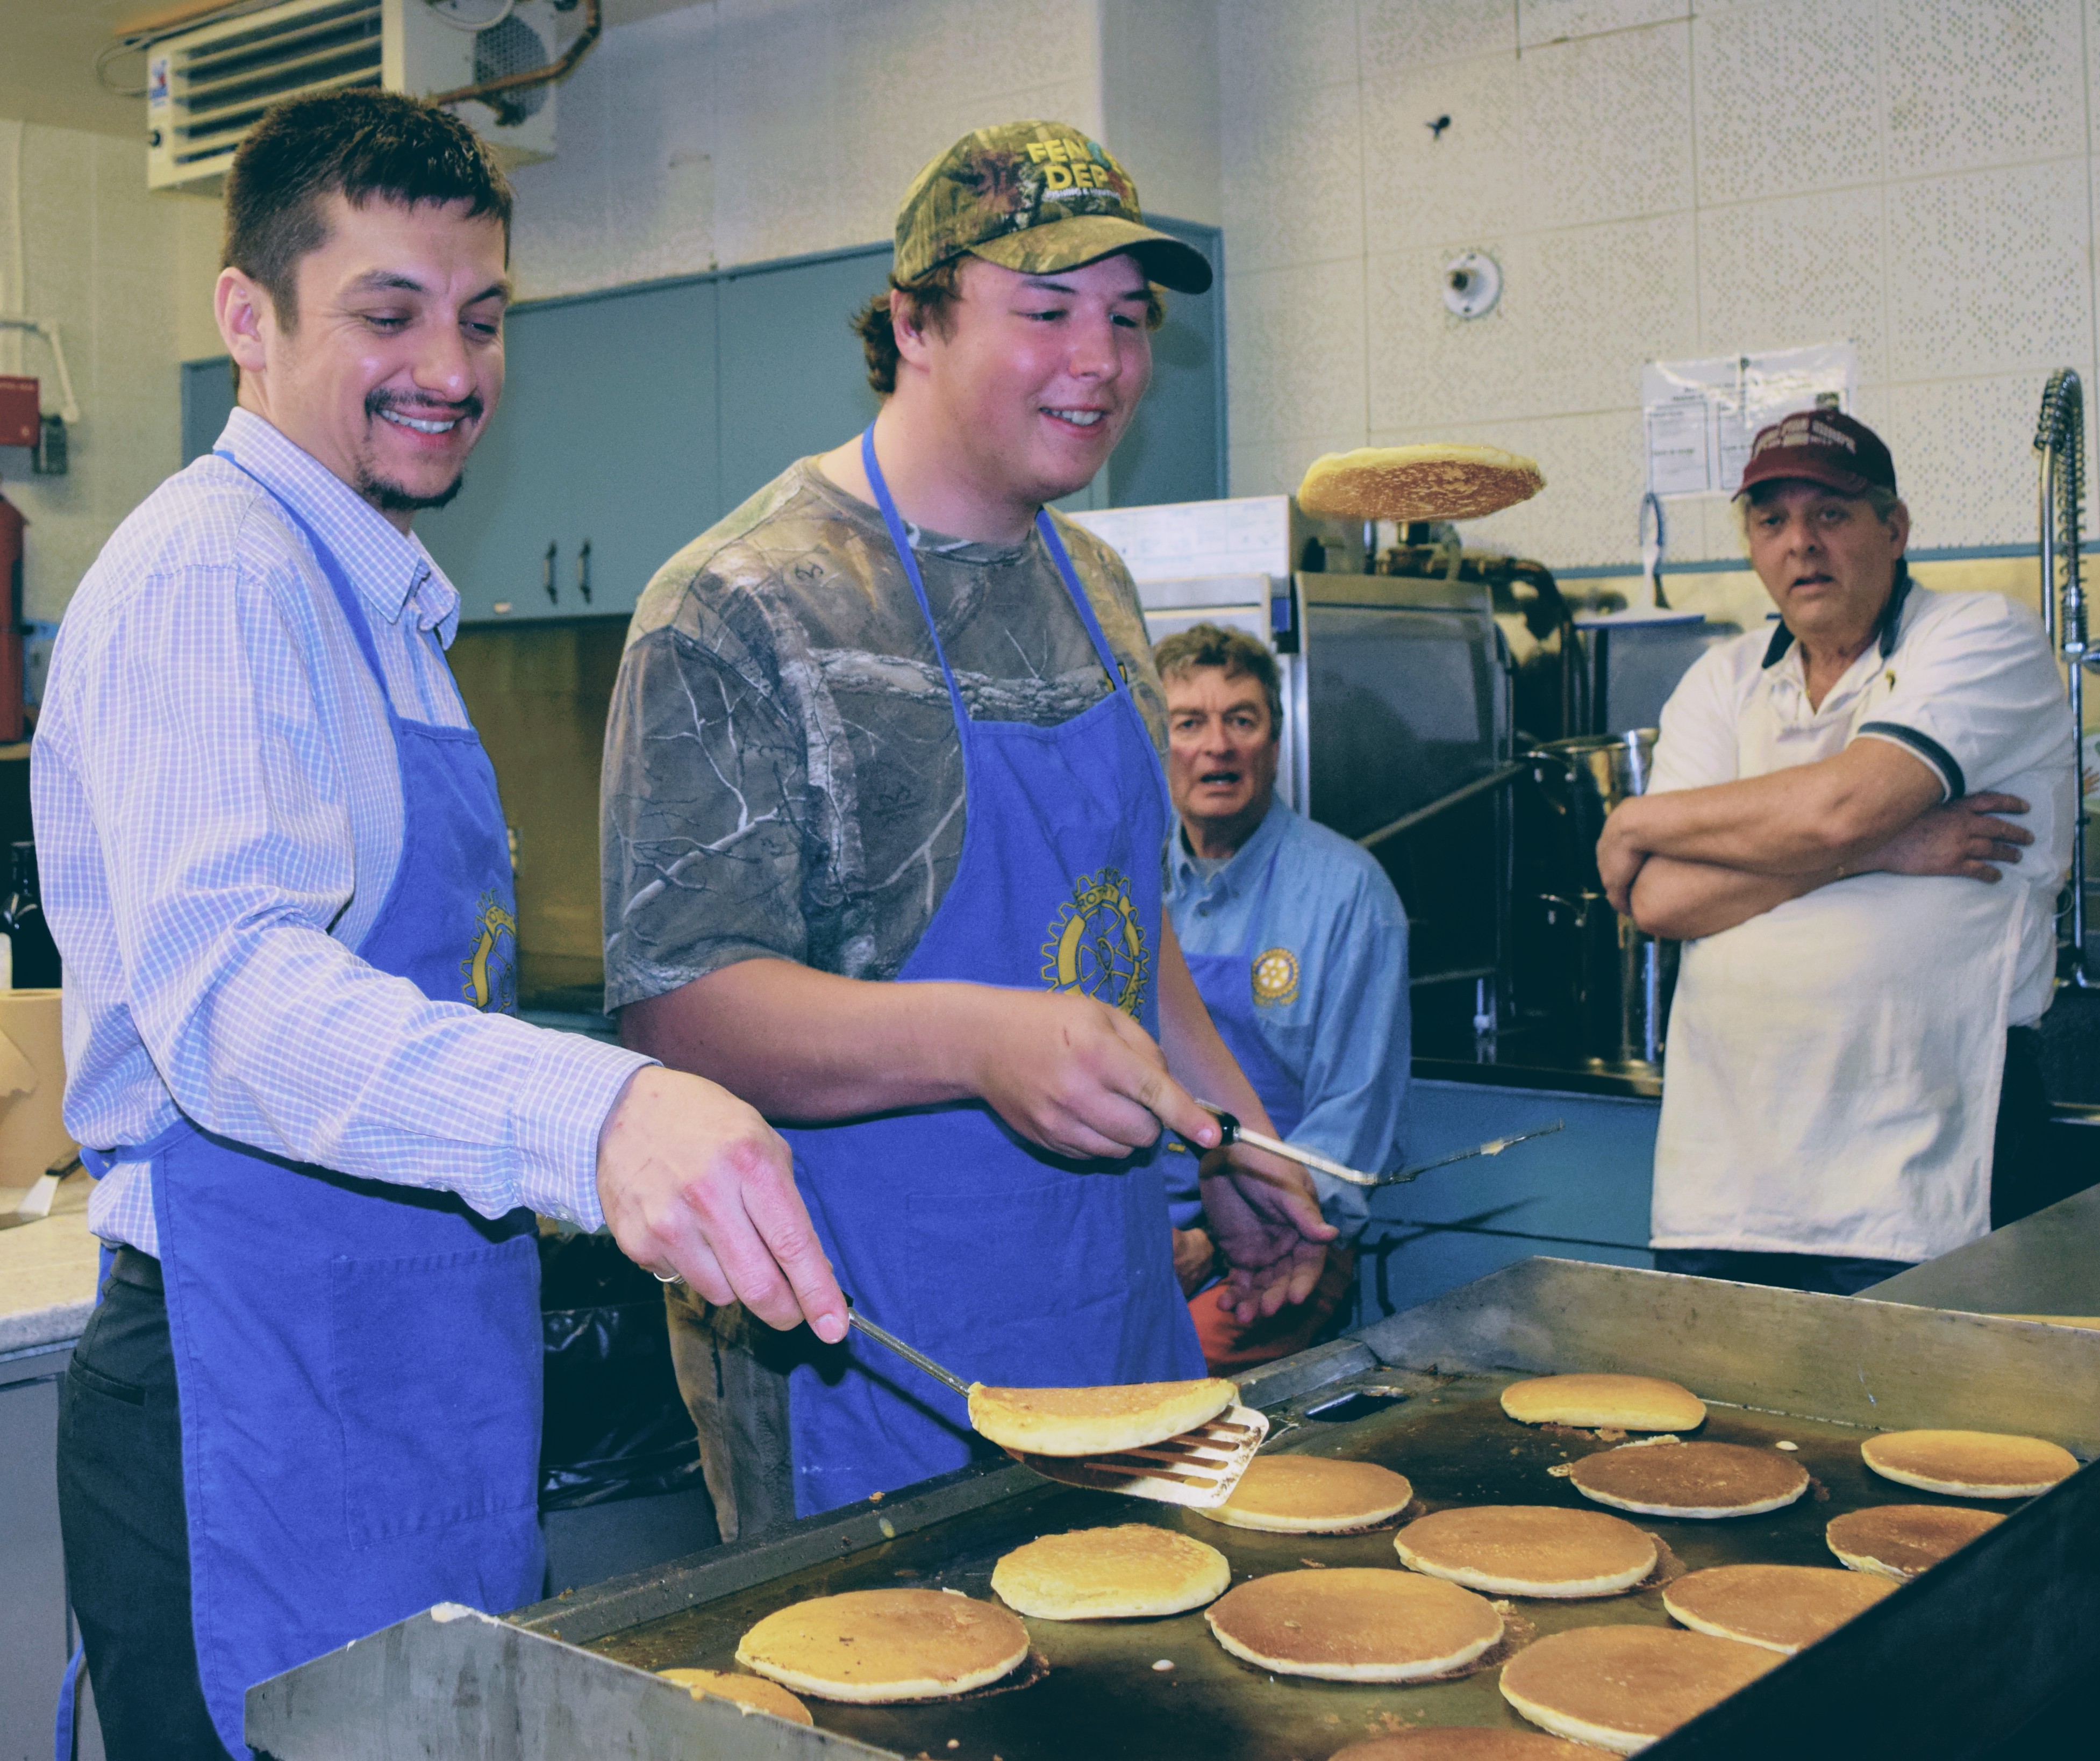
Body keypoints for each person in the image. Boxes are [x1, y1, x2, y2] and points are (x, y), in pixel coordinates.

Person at [38, 92, 844, 1760]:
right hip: (245, 1391)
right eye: (387, 314)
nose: (455, 368)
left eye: (482, 317)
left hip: (400, 1366)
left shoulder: (376, 598)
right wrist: (598, 1113)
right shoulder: (215, 573)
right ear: (245, 319)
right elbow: (235, 1000)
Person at [601, 121, 1332, 1537]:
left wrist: (1227, 1136)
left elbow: (1130, 942)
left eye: (1129, 319)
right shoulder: (742, 608)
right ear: (912, 324)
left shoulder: (1100, 585)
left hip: (1109, 1310)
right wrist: (982, 1041)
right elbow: (675, 1011)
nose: (1103, 361)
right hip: (860, 1341)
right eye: (1046, 309)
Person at [1595, 410, 2073, 1296]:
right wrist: (1886, 850)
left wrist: (1637, 822)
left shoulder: (1979, 637)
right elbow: (1660, 899)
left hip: (1923, 1167)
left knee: (1933, 1434)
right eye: (1772, 522)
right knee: (1731, 1435)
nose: (1801, 545)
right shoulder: (1722, 678)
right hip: (1727, 1184)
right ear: (1750, 545)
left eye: (1832, 515)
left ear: (1894, 529)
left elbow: (1843, 805)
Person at [1154, 622, 1409, 1367]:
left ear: (1274, 741)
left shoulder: (1347, 893)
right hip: (1146, 1239)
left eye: (1242, 720)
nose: (1217, 746)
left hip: (1288, 1237)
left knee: (1176, 1387)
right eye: (1189, 723)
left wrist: (1216, 1242)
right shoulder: (1123, 887)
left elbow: (1352, 1125)